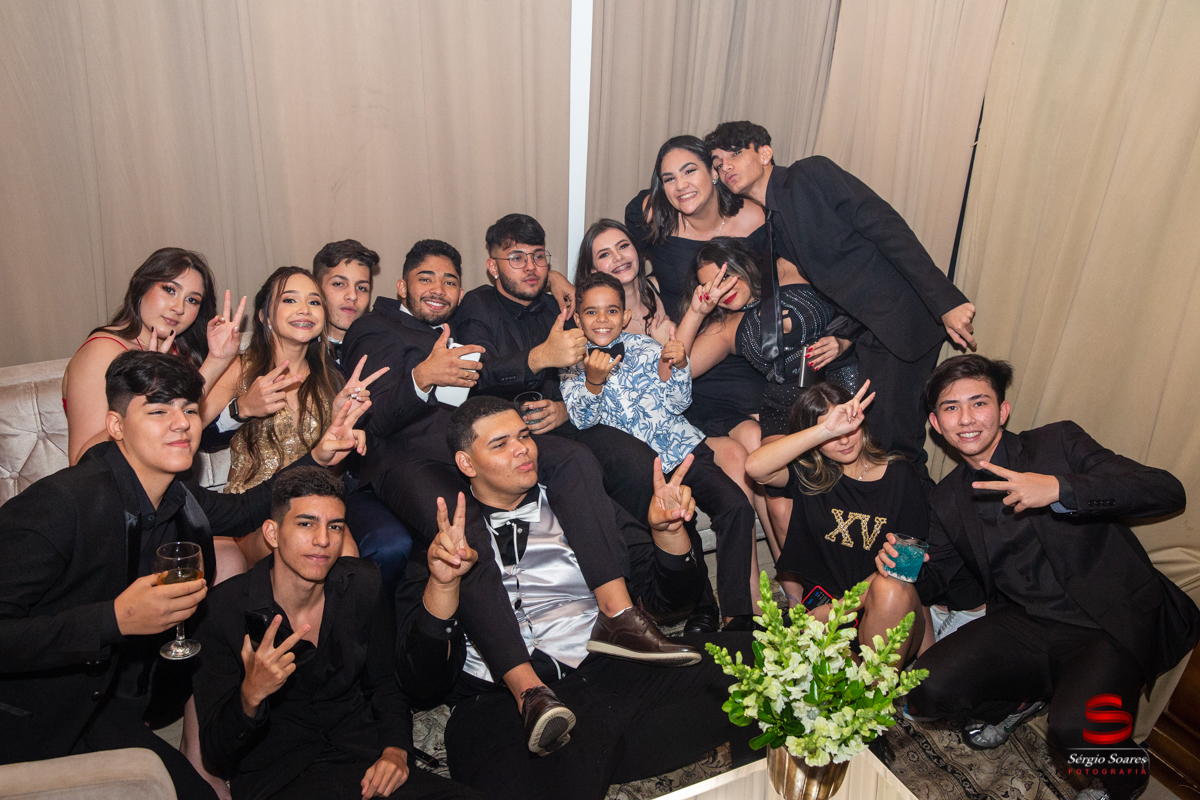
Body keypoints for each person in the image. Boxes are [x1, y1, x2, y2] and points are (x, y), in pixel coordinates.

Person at [341, 239, 696, 756]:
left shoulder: (462, 326)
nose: (439, 289)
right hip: (414, 460)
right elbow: (372, 414)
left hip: (487, 442)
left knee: (574, 458)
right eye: (426, 279)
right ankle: (527, 689)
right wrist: (422, 378)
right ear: (401, 287)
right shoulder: (375, 328)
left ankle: (618, 614)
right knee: (464, 527)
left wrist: (545, 366)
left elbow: (491, 375)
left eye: (449, 280)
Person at [0, 351, 369, 800]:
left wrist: (318, 456)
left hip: (105, 709)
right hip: (27, 719)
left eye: (190, 410)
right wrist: (113, 619)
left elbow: (244, 510)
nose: (181, 424)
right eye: (158, 411)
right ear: (116, 426)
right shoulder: (60, 504)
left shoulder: (177, 497)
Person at [395, 396, 753, 799]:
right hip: (502, 709)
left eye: (525, 436)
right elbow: (421, 682)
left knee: (769, 665)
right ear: (466, 463)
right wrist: (443, 585)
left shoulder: (579, 505)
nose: (522, 449)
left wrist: (667, 533)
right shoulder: (440, 543)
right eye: (500, 444)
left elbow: (672, 602)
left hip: (612, 675)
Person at [877, 354, 1200, 800]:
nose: (966, 419)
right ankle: (1022, 698)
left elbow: (1166, 491)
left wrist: (1061, 488)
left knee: (1074, 730)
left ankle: (1128, 776)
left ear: (1003, 411)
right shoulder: (948, 497)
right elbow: (941, 579)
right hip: (1025, 622)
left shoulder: (1056, 443)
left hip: (1104, 622)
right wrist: (904, 569)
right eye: (951, 408)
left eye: (979, 403)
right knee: (925, 688)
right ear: (935, 424)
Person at [705, 120, 977, 479]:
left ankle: (916, 514)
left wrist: (946, 301)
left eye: (735, 153)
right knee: (883, 442)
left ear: (765, 153)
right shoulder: (775, 224)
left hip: (900, 318)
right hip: (868, 335)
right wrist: (843, 336)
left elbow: (886, 227)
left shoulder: (809, 174)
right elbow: (831, 291)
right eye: (718, 163)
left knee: (893, 444)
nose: (725, 167)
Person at [192, 466, 479, 800]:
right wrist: (250, 695)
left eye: (335, 526)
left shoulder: (362, 583)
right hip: (280, 776)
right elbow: (216, 753)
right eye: (306, 524)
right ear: (272, 533)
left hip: (365, 760)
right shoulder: (222, 611)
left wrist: (395, 750)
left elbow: (387, 683)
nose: (323, 540)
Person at [560, 272, 755, 626]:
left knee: (736, 506)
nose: (602, 319)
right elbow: (582, 422)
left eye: (611, 311)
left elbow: (678, 403)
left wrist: (680, 365)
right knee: (681, 522)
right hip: (645, 472)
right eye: (591, 312)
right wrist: (593, 382)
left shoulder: (644, 347)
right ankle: (703, 609)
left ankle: (738, 614)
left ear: (625, 316)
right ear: (577, 318)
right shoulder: (571, 364)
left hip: (683, 448)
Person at [455, 214, 663, 524]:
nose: (531, 266)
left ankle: (648, 542)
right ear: (493, 267)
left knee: (639, 459)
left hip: (565, 421)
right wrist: (539, 357)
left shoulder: (557, 307)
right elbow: (477, 375)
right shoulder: (478, 304)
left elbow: (588, 368)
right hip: (510, 434)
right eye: (517, 258)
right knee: (578, 462)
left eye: (538, 256)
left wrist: (565, 408)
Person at [677, 237, 856, 551]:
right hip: (785, 407)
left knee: (851, 493)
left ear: (742, 262)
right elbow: (673, 373)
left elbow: (861, 296)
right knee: (781, 511)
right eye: (711, 285)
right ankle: (798, 582)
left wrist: (843, 340)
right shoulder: (726, 328)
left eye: (726, 275)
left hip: (841, 387)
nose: (724, 289)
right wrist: (694, 312)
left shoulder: (790, 267)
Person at [203, 267, 385, 566]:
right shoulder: (241, 369)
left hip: (315, 508)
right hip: (251, 512)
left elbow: (331, 471)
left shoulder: (333, 379)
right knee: (297, 547)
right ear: (264, 316)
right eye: (290, 300)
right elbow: (192, 431)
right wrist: (242, 408)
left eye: (314, 302)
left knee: (348, 558)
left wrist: (342, 433)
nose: (305, 309)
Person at [744, 380, 928, 663]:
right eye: (833, 434)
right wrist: (824, 430)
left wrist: (837, 610)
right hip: (822, 614)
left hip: (883, 609)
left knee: (890, 587)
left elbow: (904, 567)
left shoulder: (901, 475)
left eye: (849, 426)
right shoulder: (810, 476)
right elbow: (755, 467)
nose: (843, 440)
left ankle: (878, 685)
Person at [63, 247, 245, 465]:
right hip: (118, 485)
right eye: (169, 290)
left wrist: (218, 359)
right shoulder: (102, 351)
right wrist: (151, 386)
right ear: (140, 285)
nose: (178, 308)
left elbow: (183, 428)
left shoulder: (177, 350)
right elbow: (82, 461)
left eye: (192, 300)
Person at [624, 135, 767, 321]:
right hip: (676, 334)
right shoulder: (654, 221)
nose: (680, 185)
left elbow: (783, 274)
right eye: (669, 179)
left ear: (713, 172)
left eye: (689, 171)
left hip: (746, 330)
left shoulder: (758, 220)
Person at [312, 239, 379, 366]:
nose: (353, 296)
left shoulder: (382, 348)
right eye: (339, 284)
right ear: (316, 288)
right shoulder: (295, 351)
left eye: (361, 288)